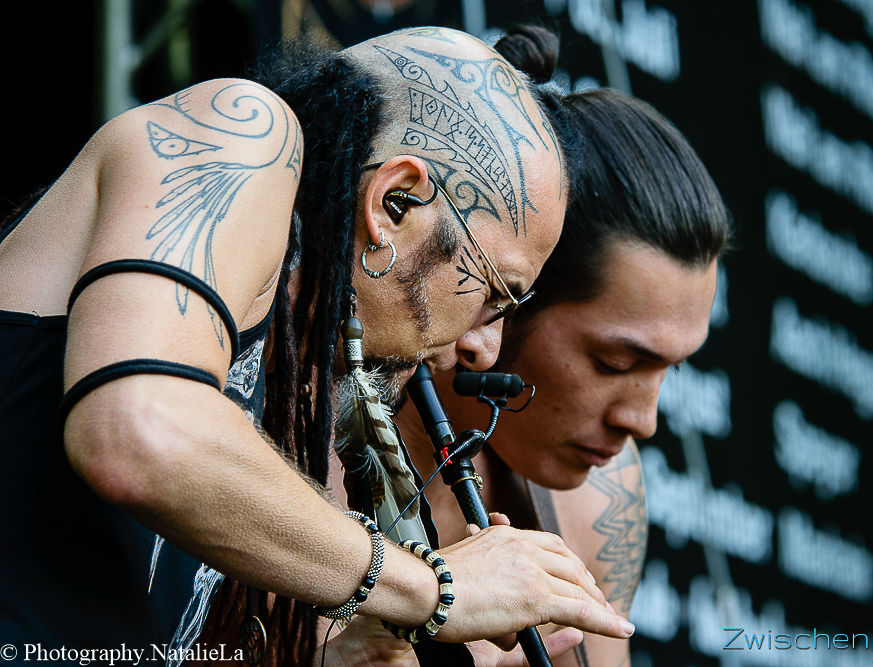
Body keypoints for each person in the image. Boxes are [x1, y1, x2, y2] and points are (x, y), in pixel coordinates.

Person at [0, 27, 634, 665]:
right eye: (494, 293)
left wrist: (349, 659)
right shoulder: (240, 132)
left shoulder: (270, 364)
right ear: (393, 203)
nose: (483, 348)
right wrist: (436, 589)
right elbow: (136, 432)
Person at [320, 26, 730, 667]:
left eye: (668, 370)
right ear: (505, 295)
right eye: (615, 362)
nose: (643, 420)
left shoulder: (599, 496)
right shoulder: (294, 432)